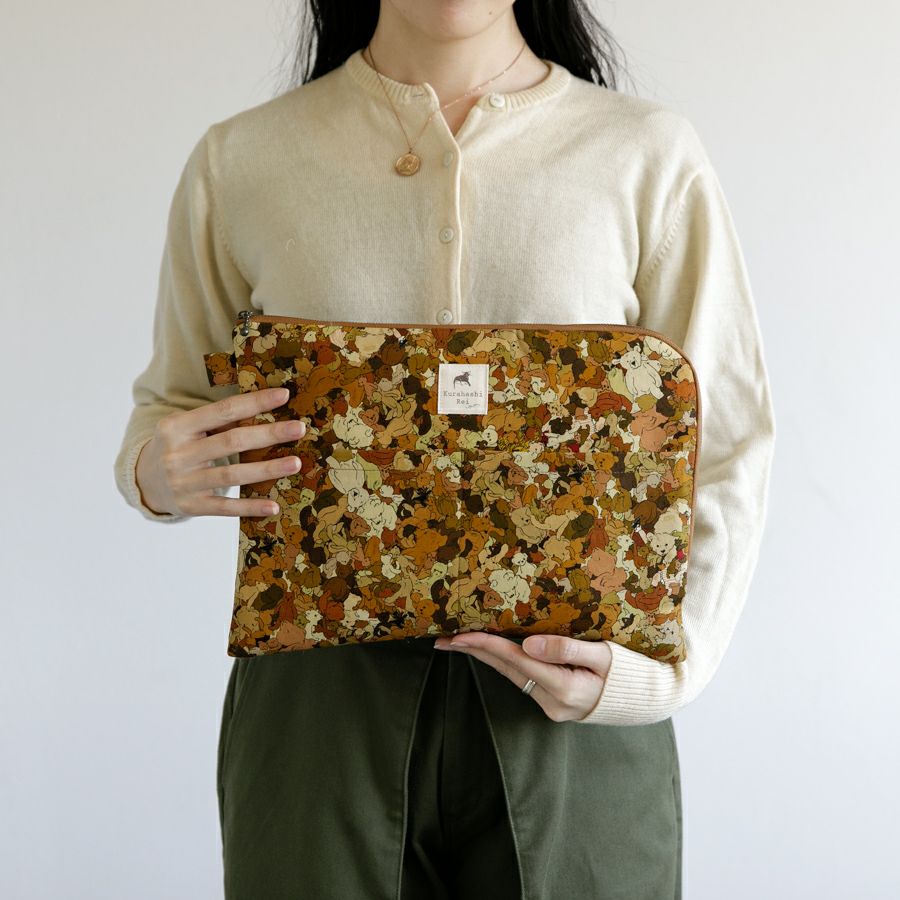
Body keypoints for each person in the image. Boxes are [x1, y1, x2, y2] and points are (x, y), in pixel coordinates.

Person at [113, 2, 776, 898]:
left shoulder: (645, 155)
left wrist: (658, 675)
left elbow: (726, 441)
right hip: (315, 713)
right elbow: (172, 405)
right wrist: (153, 472)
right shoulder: (244, 160)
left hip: (574, 703)